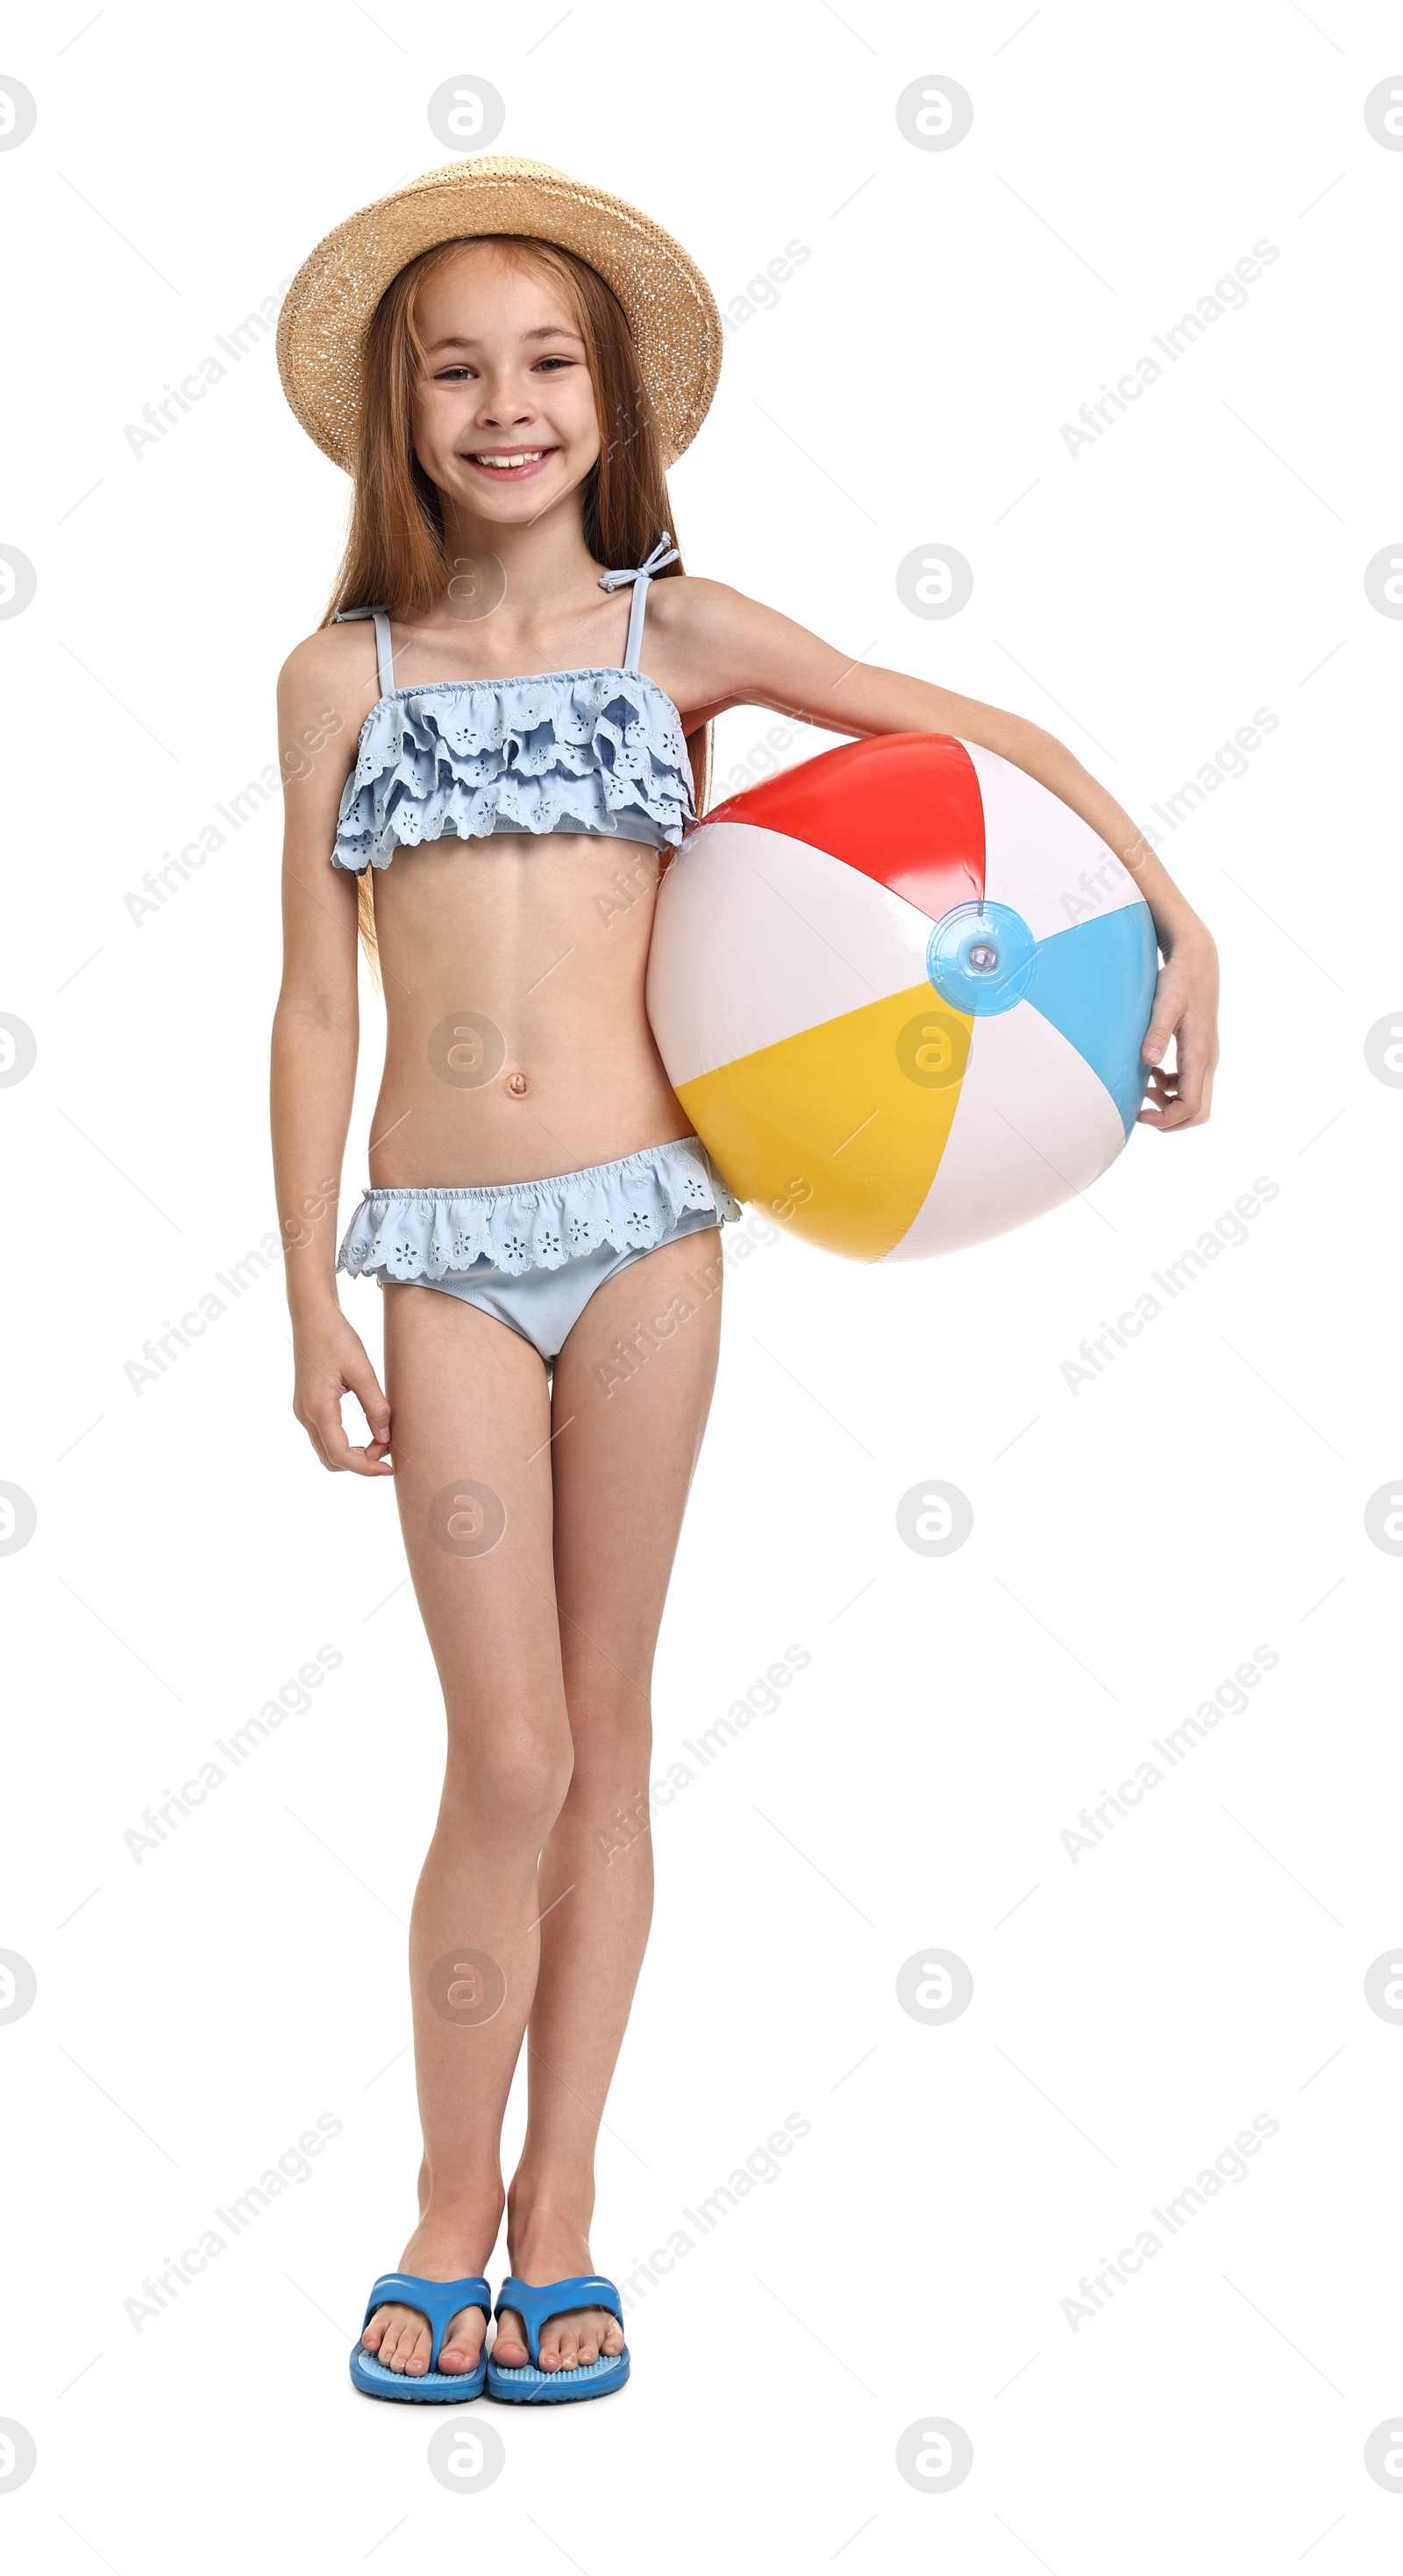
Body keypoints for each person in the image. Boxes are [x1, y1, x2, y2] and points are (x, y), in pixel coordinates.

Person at [271, 156, 1220, 2405]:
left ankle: (562, 2209)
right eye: (460, 370)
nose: (509, 406)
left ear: (609, 401)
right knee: (497, 1747)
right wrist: (304, 1280)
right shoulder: (336, 677)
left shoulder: (673, 638)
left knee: (603, 1730)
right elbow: (316, 1002)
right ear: (399, 416)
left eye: (548, 363)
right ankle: (435, 2201)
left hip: (646, 1236)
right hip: (438, 1248)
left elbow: (987, 742)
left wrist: (1173, 923)